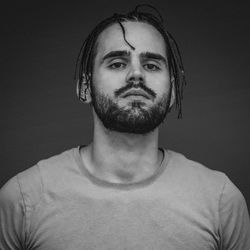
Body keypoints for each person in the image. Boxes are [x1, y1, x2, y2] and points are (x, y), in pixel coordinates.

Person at [0, 5, 249, 250]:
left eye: (152, 65)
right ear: (84, 87)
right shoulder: (22, 200)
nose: (136, 74)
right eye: (117, 63)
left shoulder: (221, 200)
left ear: (173, 91)